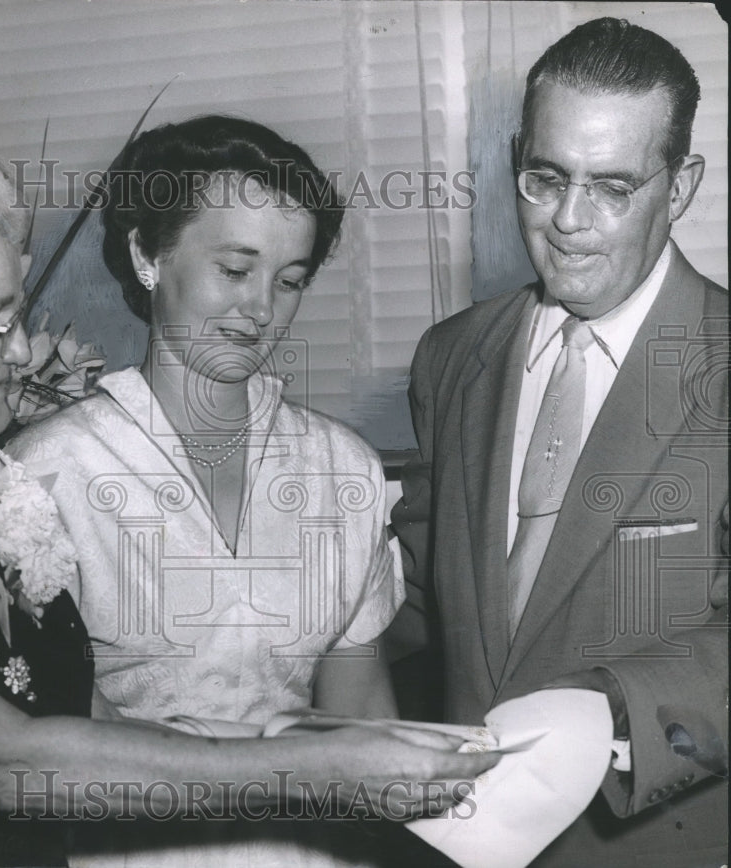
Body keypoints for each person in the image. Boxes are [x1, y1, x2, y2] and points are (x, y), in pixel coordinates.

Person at [0, 131, 495, 867]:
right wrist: (316, 772)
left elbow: (95, 723)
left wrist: (362, 750)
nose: (24, 351)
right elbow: (5, 762)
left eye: (16, 315)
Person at [8, 116, 406, 864]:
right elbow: (48, 742)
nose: (261, 310)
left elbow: (359, 722)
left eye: (289, 281)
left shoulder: (341, 470)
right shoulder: (48, 472)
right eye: (234, 269)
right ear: (146, 255)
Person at [391, 17, 728, 867]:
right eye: (545, 178)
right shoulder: (449, 357)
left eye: (612, 187)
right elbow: (420, 611)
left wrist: (611, 706)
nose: (568, 221)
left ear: (681, 187)